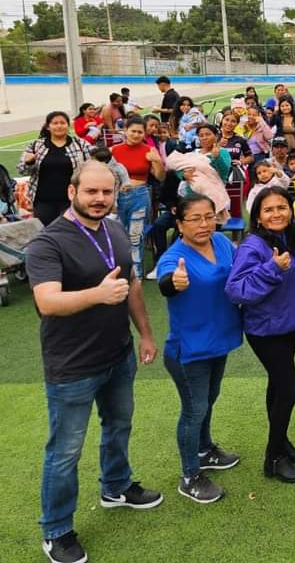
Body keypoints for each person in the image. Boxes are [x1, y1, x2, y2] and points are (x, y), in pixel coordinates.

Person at [26, 161, 162, 563]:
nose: (100, 199)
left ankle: (115, 487)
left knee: (119, 425)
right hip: (72, 366)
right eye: (91, 192)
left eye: (107, 192)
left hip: (118, 354)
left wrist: (145, 333)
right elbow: (47, 301)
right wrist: (97, 295)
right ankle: (56, 530)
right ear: (73, 192)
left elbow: (131, 284)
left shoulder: (114, 229)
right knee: (65, 451)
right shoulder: (48, 242)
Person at [155, 194, 242, 504]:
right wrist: (173, 282)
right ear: (180, 224)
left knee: (209, 399)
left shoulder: (221, 242)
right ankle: (190, 476)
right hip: (189, 350)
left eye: (209, 216)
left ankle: (205, 451)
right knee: (194, 410)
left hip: (218, 341)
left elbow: (240, 265)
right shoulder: (174, 256)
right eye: (195, 218)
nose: (204, 224)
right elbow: (166, 280)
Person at [225, 187, 295, 483]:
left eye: (282, 207)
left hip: (287, 326)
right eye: (269, 209)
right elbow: (236, 289)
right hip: (266, 330)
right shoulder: (253, 246)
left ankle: (281, 443)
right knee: (289, 390)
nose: (276, 214)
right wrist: (271, 268)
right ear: (258, 217)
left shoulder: (290, 237)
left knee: (277, 386)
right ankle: (273, 458)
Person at [110, 116, 166, 279]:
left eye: (140, 132)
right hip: (117, 197)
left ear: (144, 133)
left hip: (140, 196)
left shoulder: (149, 150)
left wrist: (157, 161)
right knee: (116, 237)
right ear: (125, 131)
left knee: (136, 237)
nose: (136, 135)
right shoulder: (113, 150)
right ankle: (118, 274)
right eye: (133, 131)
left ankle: (136, 276)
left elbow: (160, 177)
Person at [20, 111, 92, 226]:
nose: (59, 126)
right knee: (45, 232)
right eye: (55, 123)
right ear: (48, 126)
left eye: (62, 123)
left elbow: (91, 167)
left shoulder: (80, 144)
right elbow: (22, 170)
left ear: (68, 125)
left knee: (71, 231)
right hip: (43, 201)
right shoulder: (36, 145)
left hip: (72, 200)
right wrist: (29, 162)